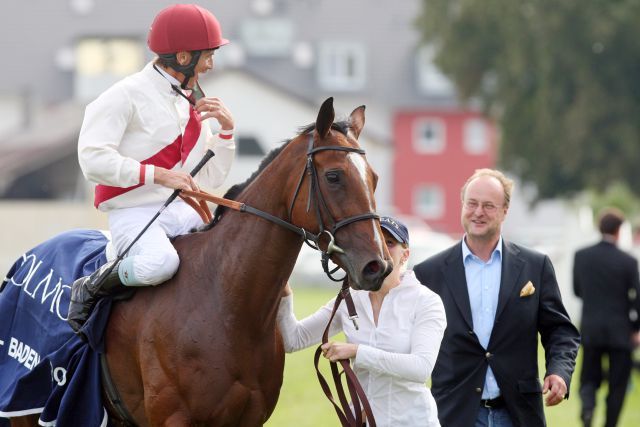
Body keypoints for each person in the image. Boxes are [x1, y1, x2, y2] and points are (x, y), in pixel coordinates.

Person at [67, 4, 236, 332]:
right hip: (133, 212)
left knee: (234, 249)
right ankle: (94, 284)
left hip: (181, 210)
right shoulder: (123, 96)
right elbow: (91, 159)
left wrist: (227, 133)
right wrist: (156, 174)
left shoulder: (190, 101)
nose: (212, 65)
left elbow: (211, 177)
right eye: (208, 55)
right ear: (183, 57)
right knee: (162, 264)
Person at [414, 168, 580, 427]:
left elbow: (560, 331)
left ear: (505, 210)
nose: (478, 212)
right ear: (462, 206)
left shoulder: (535, 266)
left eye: (489, 206)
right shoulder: (428, 273)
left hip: (518, 414)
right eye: (472, 204)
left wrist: (559, 372)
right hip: (453, 413)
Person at [277, 216, 447, 426]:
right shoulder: (350, 298)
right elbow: (294, 340)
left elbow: (420, 368)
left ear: (406, 255)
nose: (382, 249)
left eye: (390, 243)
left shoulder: (426, 302)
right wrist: (283, 288)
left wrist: (357, 352)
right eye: (375, 241)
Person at [573, 208, 640, 427]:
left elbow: (576, 290)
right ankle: (610, 424)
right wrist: (636, 328)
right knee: (618, 384)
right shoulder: (628, 261)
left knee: (588, 377)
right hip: (620, 330)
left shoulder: (581, 256)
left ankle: (588, 407)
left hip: (591, 328)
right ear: (619, 230)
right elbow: (638, 298)